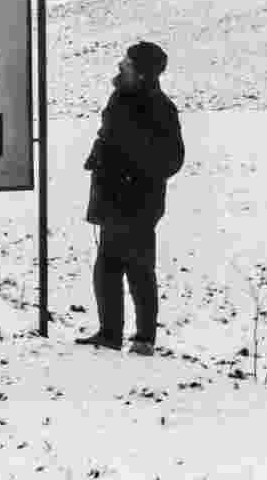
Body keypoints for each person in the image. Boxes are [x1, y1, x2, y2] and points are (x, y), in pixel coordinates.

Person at [76, 41, 185, 356]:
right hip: (112, 197)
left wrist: (132, 167)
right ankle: (110, 334)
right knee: (107, 267)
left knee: (139, 269)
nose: (119, 66)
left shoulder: (161, 108)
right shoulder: (119, 98)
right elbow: (108, 136)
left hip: (138, 202)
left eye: (125, 63)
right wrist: (99, 154)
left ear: (140, 72)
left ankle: (144, 339)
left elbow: (173, 158)